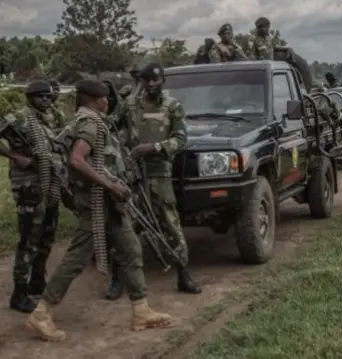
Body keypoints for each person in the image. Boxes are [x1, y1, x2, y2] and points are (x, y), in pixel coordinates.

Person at [26, 79, 172, 341]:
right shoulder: (90, 123)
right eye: (105, 98)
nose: (108, 101)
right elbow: (77, 159)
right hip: (95, 203)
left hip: (108, 204)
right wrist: (111, 185)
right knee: (76, 259)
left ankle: (141, 310)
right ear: (96, 99)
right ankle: (42, 313)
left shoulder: (92, 119)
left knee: (130, 249)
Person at [108, 62, 201, 300]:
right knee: (124, 226)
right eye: (146, 80)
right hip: (131, 176)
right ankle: (117, 279)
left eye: (155, 80)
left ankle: (183, 275)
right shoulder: (128, 105)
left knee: (170, 224)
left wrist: (155, 147)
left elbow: (181, 140)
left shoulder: (173, 106)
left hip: (159, 174)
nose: (150, 85)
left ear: (163, 81)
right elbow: (109, 128)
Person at [0, 80, 63, 313]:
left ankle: (37, 281)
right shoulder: (17, 118)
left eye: (48, 97)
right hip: (28, 185)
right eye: (41, 97)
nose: (46, 101)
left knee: (47, 234)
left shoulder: (52, 118)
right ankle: (19, 293)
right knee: (29, 239)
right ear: (30, 97)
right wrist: (16, 157)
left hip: (50, 182)